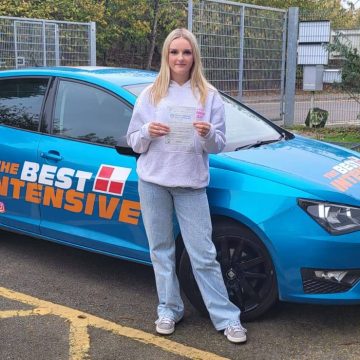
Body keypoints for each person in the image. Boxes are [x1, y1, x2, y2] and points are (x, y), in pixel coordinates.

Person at [126, 28, 247, 343]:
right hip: (153, 182)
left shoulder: (209, 96)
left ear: (195, 56)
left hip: (191, 185)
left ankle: (227, 317)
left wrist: (208, 133)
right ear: (166, 56)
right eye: (174, 52)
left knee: (203, 254)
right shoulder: (151, 93)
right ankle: (169, 308)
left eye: (186, 52)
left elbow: (218, 145)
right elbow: (134, 142)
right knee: (161, 251)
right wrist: (148, 132)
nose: (180, 58)